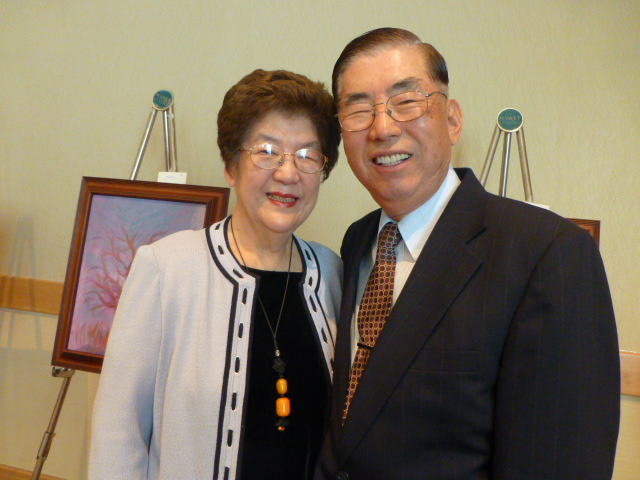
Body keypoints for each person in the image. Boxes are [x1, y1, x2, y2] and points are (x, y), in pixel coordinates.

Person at [315, 28, 620, 480]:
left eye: (407, 101)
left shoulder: (546, 253)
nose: (382, 128)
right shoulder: (359, 241)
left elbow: (560, 459)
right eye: (359, 110)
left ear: (453, 120)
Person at [89, 69, 343, 480]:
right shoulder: (167, 268)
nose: (288, 173)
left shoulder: (331, 273)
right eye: (267, 150)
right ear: (231, 165)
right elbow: (119, 431)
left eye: (307, 155)